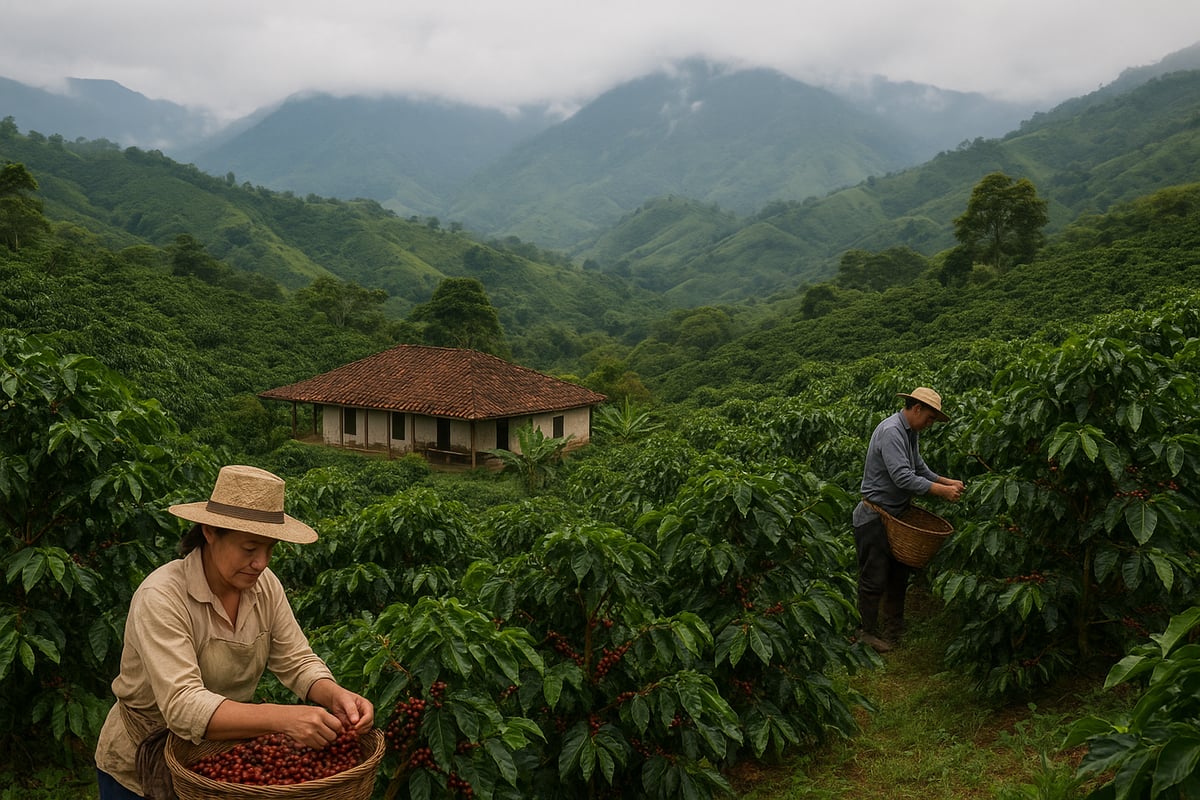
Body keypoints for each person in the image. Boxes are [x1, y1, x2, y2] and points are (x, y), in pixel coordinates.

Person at [95, 464, 375, 799]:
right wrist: (283, 718)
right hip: (136, 769)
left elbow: (296, 660)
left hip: (215, 758)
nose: (262, 562)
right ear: (210, 531)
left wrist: (335, 695)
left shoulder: (264, 586)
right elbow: (183, 706)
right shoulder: (162, 597)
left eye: (270, 549)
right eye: (249, 548)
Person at [852, 388, 964, 653]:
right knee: (874, 576)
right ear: (916, 409)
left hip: (896, 516)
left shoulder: (909, 433)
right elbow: (903, 477)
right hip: (874, 516)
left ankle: (893, 630)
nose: (929, 424)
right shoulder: (892, 432)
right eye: (929, 418)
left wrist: (948, 482)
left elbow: (919, 469)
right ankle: (865, 632)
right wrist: (942, 492)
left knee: (898, 574)